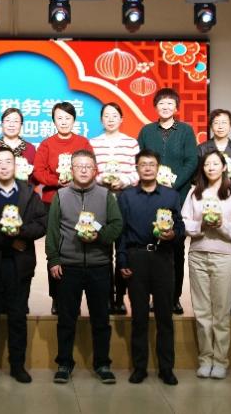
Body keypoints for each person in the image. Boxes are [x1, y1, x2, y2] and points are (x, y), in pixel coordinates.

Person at [0, 146, 47, 384]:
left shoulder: (29, 193)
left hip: (19, 266)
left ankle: (17, 366)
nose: (4, 166)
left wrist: (19, 232)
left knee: (17, 318)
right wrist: (10, 240)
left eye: (8, 162)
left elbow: (41, 223)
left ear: (16, 166)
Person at [46, 149, 123, 385]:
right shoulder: (60, 195)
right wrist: (54, 259)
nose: (83, 170)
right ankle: (64, 363)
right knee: (66, 319)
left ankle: (102, 364)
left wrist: (99, 236)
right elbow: (52, 230)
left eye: (88, 166)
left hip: (99, 266)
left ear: (95, 170)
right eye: (78, 166)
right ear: (71, 169)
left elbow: (117, 225)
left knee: (101, 318)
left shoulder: (106, 195)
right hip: (68, 266)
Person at [117, 150, 183, 385]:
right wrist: (122, 260)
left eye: (151, 164)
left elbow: (180, 226)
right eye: (143, 164)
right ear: (137, 168)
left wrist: (174, 234)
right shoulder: (126, 196)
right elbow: (121, 232)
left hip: (163, 258)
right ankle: (140, 368)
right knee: (139, 317)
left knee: (165, 316)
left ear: (158, 168)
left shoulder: (171, 195)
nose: (147, 168)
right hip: (136, 258)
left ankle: (166, 368)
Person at [182, 150, 231, 380]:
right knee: (202, 312)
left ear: (224, 167)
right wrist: (201, 225)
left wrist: (221, 225)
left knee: (220, 313)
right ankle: (205, 359)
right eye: (207, 164)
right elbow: (184, 222)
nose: (211, 167)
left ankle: (220, 360)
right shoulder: (194, 193)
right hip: (198, 255)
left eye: (215, 164)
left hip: (223, 257)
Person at [137, 88, 198, 315]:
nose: (165, 107)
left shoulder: (186, 131)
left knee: (175, 249)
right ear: (155, 107)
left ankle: (174, 297)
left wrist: (173, 183)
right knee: (150, 248)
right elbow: (140, 160)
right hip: (150, 196)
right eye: (161, 103)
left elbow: (191, 161)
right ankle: (153, 296)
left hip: (177, 197)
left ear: (176, 107)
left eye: (170, 103)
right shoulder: (146, 131)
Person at [32, 101, 94, 312]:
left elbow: (92, 167)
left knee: (79, 245)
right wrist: (56, 181)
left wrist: (77, 180)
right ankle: (57, 297)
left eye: (68, 118)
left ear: (74, 120)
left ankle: (77, 295)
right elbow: (38, 171)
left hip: (80, 201)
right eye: (59, 118)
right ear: (54, 121)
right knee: (56, 248)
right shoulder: (47, 144)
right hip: (53, 201)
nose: (64, 122)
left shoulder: (83, 142)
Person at [196, 108, 231, 316]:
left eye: (224, 122)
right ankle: (209, 303)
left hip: (228, 202)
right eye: (216, 122)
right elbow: (195, 177)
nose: (220, 126)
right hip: (206, 203)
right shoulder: (202, 149)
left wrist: (227, 181)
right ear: (211, 125)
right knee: (204, 255)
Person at [90, 102, 138, 315]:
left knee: (123, 249)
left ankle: (120, 298)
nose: (110, 119)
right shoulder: (93, 143)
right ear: (101, 120)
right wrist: (103, 179)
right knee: (103, 251)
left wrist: (123, 181)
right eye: (106, 116)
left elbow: (137, 172)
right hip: (101, 202)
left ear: (121, 119)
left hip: (125, 201)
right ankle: (107, 297)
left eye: (114, 115)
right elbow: (89, 171)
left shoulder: (131, 143)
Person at [0, 107, 36, 183]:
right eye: (7, 120)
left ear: (21, 125)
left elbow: (35, 177)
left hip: (24, 189)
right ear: (2, 124)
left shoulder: (30, 148)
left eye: (16, 121)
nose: (11, 125)